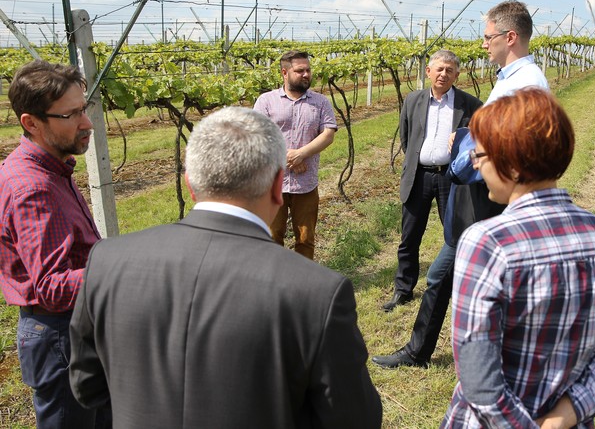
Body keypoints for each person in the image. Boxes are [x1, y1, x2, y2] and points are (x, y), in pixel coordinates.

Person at [69, 107, 382, 428]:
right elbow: (354, 418)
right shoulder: (319, 293)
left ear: (190, 185)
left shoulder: (107, 261)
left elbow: (86, 386)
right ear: (278, 186)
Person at [442, 88, 595, 428]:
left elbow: (479, 381)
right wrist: (566, 415)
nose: (477, 165)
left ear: (513, 165)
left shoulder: (488, 243)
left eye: (481, 156)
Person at [373, 1, 548, 367]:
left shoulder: (525, 85)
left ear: (510, 37)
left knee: (447, 277)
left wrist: (466, 145)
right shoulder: (510, 80)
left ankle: (430, 352)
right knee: (449, 276)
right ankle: (431, 351)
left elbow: (511, 149)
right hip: (479, 196)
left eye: (488, 37)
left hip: (487, 199)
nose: (484, 44)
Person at [0, 60, 110, 428]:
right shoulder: (32, 187)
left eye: (84, 109)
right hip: (60, 338)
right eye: (71, 115)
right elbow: (51, 287)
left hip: (75, 329)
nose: (87, 123)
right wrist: (121, 265)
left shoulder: (53, 168)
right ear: (32, 123)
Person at [382, 49, 482, 312]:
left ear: (457, 75)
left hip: (452, 177)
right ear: (428, 72)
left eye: (449, 70)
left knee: (457, 235)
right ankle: (403, 290)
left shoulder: (470, 104)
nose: (443, 74)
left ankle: (457, 289)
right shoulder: (413, 100)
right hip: (419, 176)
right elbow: (407, 138)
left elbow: (477, 140)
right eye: (439, 69)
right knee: (410, 236)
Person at [253, 50, 337, 260]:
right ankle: (274, 281)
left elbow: (328, 134)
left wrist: (302, 153)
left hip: (306, 184)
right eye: (300, 71)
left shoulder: (321, 102)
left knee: (305, 239)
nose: (306, 74)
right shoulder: (266, 101)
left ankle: (302, 283)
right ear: (284, 72)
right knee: (271, 237)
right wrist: (289, 159)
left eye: (308, 70)